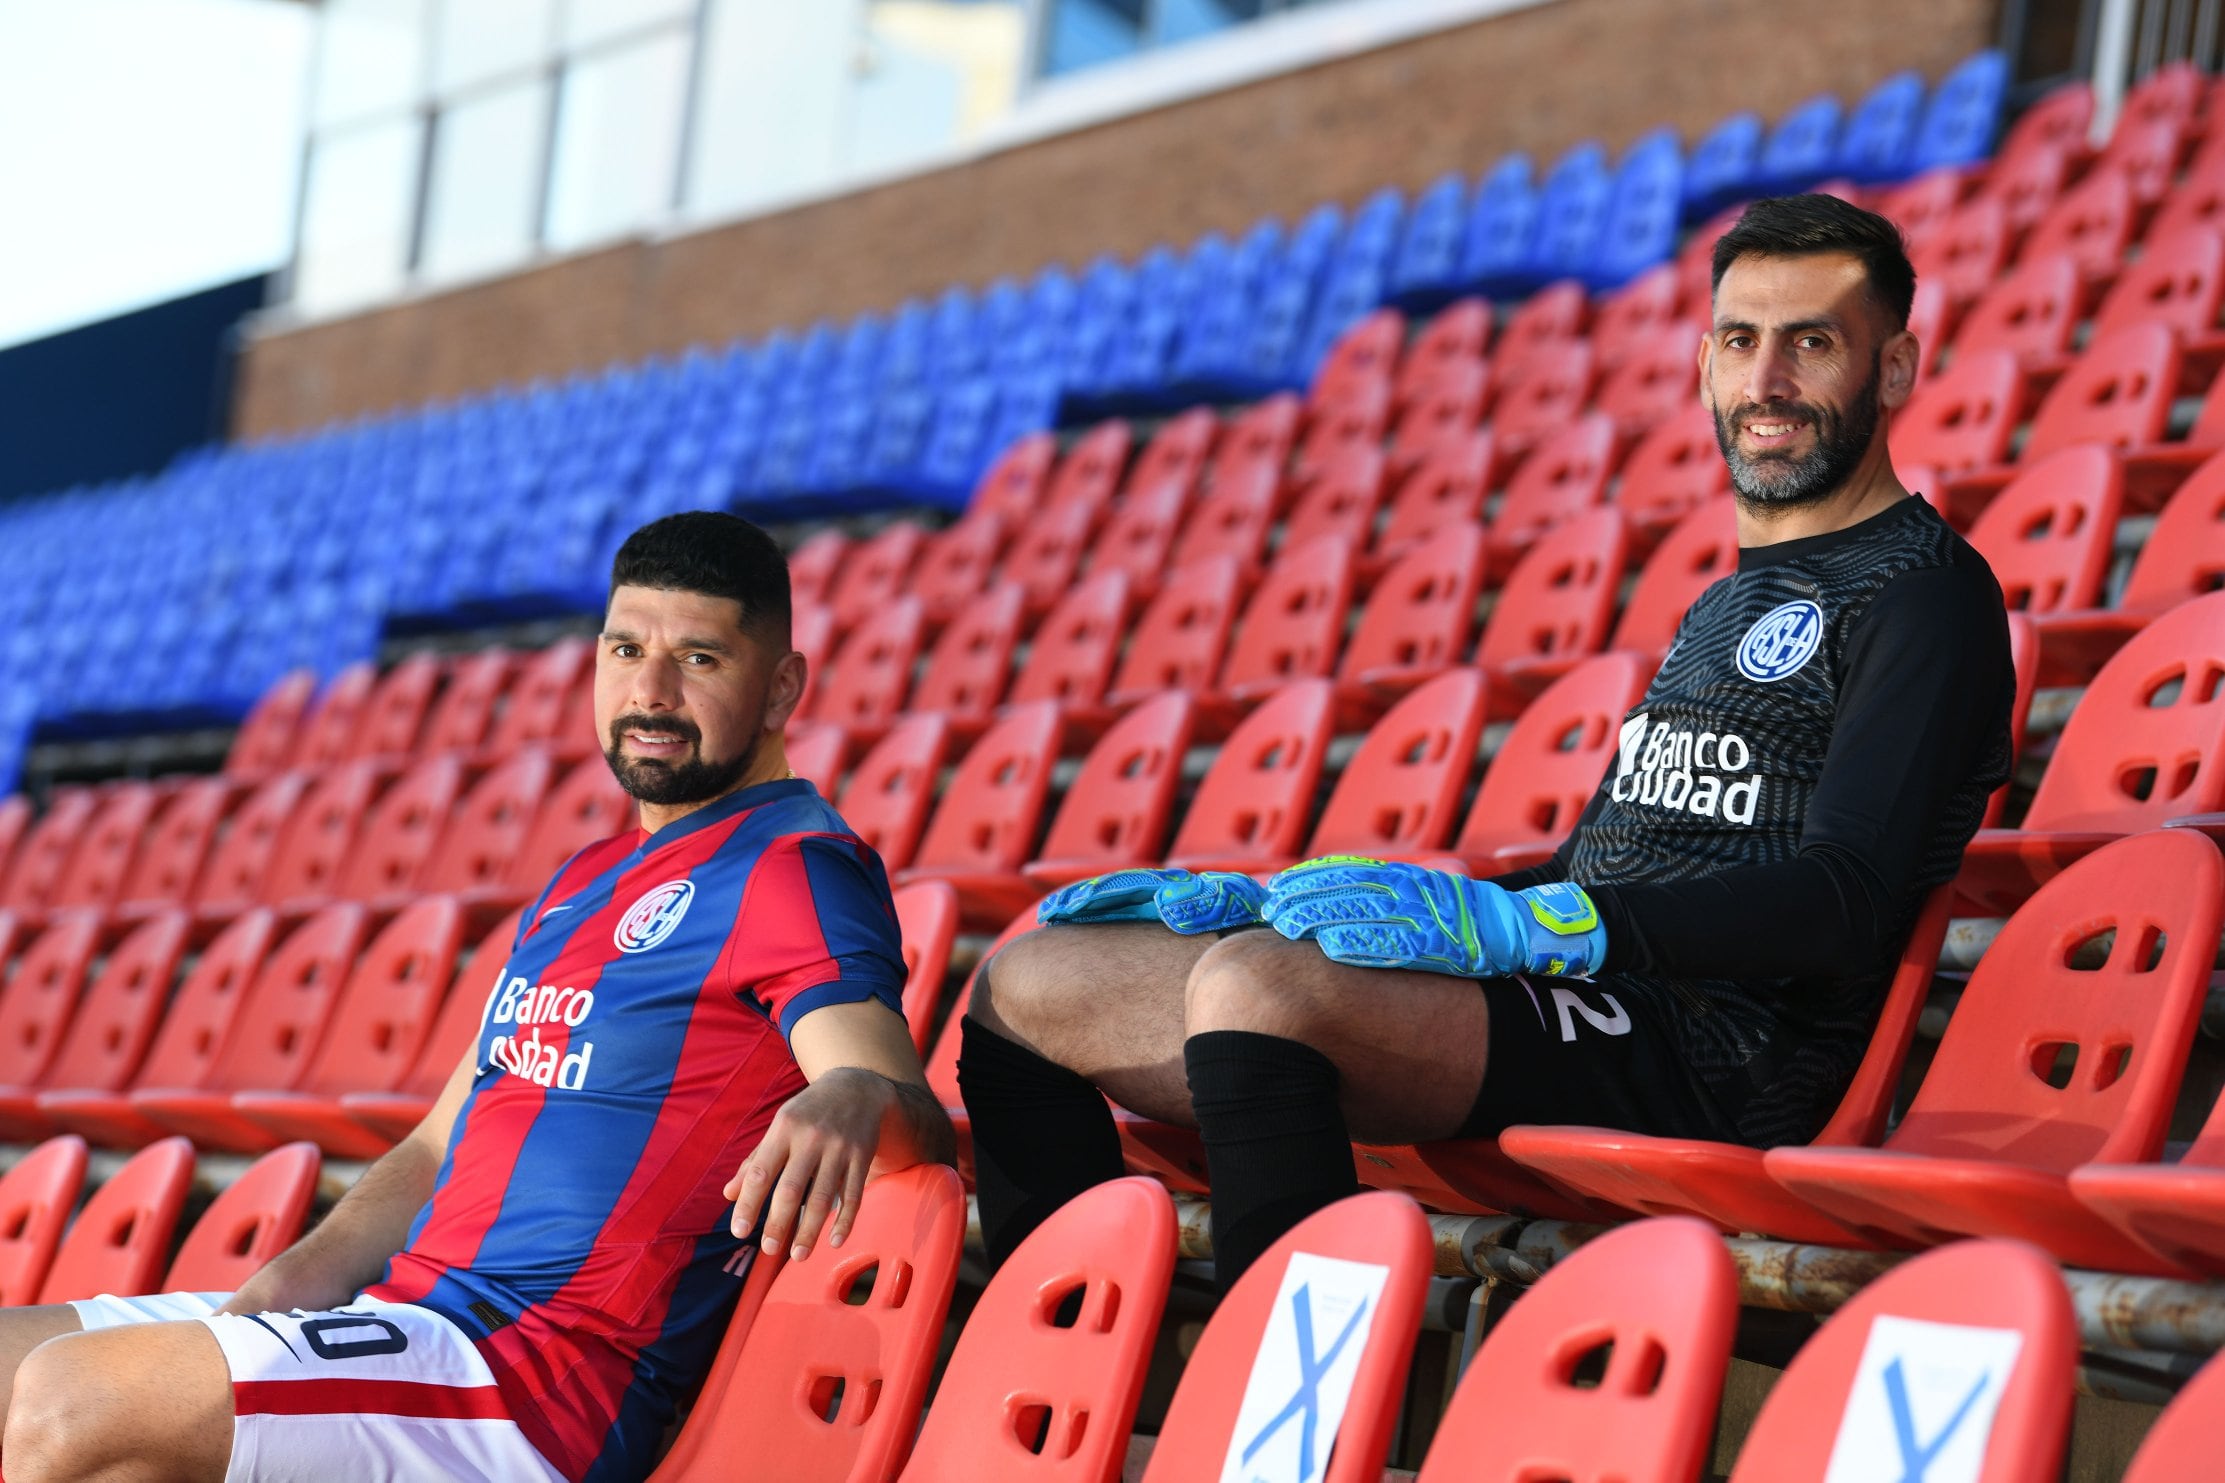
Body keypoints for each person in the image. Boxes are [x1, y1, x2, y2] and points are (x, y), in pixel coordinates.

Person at [958, 192, 2015, 1287]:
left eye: (1811, 343)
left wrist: (1544, 926)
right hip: (1596, 994)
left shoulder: (1925, 597)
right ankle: (1054, 1352)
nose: (1767, 383)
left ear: (1891, 370)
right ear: (1703, 362)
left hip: (1722, 1049)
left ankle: (1271, 1408)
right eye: (1742, 342)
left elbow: (1841, 903)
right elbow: (1598, 870)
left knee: (1264, 990)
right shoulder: (1720, 604)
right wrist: (1316, 903)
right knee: (1033, 979)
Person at [0, 511, 954, 1483]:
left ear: (781, 686)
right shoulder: (585, 876)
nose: (650, 691)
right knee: (15, 1367)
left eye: (700, 658)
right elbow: (431, 1143)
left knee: (72, 1396)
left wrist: (858, 1094)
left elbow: (901, 1105)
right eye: (626, 649)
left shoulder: (797, 867)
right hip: (404, 1321)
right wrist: (284, 1287)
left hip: (526, 1388)